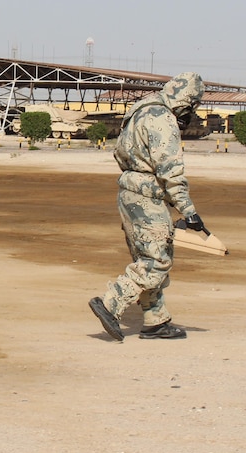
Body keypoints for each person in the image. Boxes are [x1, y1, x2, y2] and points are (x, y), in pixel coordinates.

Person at [88, 72, 206, 342]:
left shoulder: (140, 111)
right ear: (186, 100)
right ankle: (110, 303)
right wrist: (189, 211)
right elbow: (170, 170)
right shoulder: (162, 118)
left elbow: (120, 153)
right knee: (156, 260)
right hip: (148, 196)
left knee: (146, 257)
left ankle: (156, 319)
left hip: (129, 191)